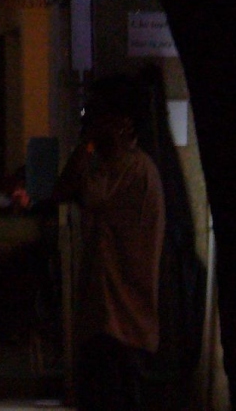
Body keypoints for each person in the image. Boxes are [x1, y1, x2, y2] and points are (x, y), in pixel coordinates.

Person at [51, 74, 165, 411]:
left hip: (119, 316)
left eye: (97, 114)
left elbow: (82, 191)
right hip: (112, 312)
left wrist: (87, 145)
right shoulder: (126, 166)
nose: (90, 121)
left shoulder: (128, 167)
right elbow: (63, 190)